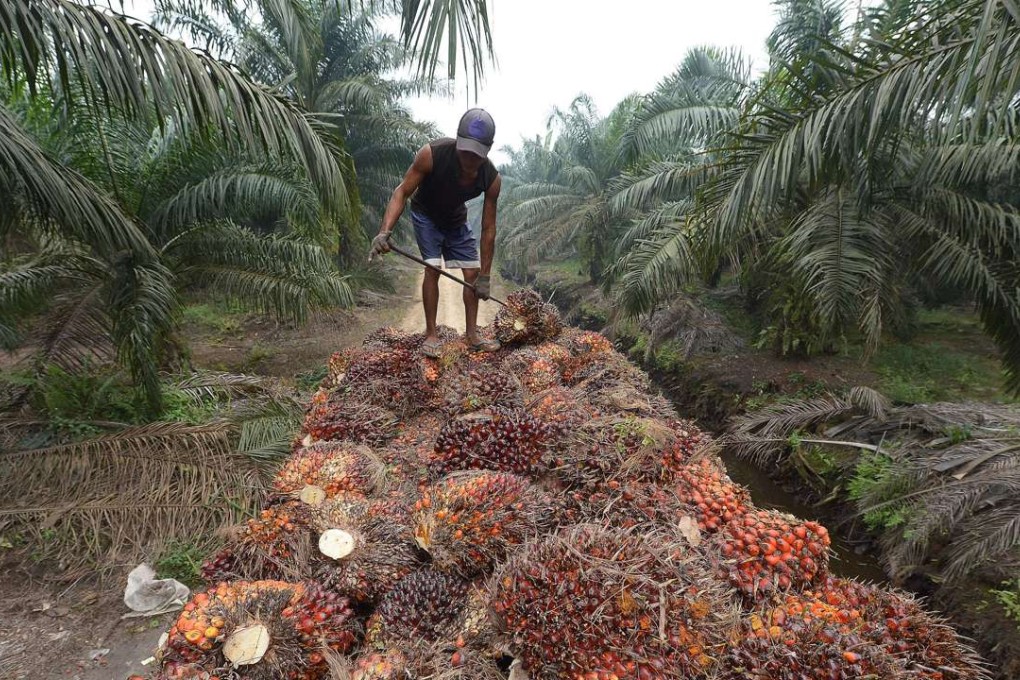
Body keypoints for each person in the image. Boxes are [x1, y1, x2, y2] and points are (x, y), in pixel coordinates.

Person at [370, 107, 502, 358]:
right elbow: (401, 192)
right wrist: (384, 231)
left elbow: (488, 228)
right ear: (457, 140)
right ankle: (431, 333)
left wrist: (485, 276)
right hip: (426, 215)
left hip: (455, 219)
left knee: (472, 273)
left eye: (476, 155)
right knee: (433, 267)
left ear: (487, 150)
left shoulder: (491, 178)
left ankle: (472, 335)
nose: (469, 159)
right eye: (465, 151)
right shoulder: (431, 154)